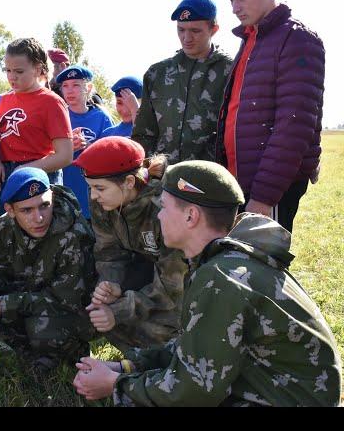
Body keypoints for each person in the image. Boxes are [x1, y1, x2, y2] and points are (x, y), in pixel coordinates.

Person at [73, 160, 342, 407]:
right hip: (276, 390)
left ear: (191, 216)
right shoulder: (226, 263)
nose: (158, 217)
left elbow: (194, 392)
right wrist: (128, 367)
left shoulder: (222, 277)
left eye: (164, 208)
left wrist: (114, 386)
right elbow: (192, 347)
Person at [0, 167, 96, 371]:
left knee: (34, 323)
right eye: (27, 210)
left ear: (53, 199)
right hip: (36, 298)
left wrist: (6, 304)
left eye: (44, 206)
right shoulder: (5, 226)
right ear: (10, 210)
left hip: (78, 312)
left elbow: (67, 301)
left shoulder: (75, 234)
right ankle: (33, 357)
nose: (38, 218)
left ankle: (73, 360)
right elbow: (1, 268)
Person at [215, 0, 324, 234]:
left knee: (261, 267)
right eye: (231, 0)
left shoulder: (297, 39)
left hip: (268, 185)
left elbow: (294, 125)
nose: (235, 8)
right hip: (242, 178)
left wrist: (263, 197)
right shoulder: (252, 39)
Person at [72, 137, 188, 351]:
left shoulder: (165, 210)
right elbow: (109, 253)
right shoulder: (104, 202)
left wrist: (119, 310)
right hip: (148, 274)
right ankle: (139, 362)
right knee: (99, 315)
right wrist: (110, 285)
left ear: (129, 183)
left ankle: (166, 365)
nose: (94, 196)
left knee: (153, 330)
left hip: (185, 288)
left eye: (100, 188)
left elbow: (173, 286)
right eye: (91, 188)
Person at [132, 0, 233, 164]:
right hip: (164, 180)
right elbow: (143, 134)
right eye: (181, 29)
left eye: (195, 30)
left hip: (211, 179)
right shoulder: (157, 74)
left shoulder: (231, 71)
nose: (186, 38)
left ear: (213, 30)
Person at [0, 37, 72, 200]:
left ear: (37, 69)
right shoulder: (1, 100)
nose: (12, 77)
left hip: (42, 178)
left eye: (19, 71)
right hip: (8, 177)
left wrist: (25, 169)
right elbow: (2, 139)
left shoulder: (51, 102)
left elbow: (65, 155)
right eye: (8, 70)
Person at [56, 65, 113, 219]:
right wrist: (67, 149)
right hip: (64, 195)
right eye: (65, 86)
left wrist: (88, 147)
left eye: (76, 85)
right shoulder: (57, 115)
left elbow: (112, 153)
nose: (70, 90)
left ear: (88, 88)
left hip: (96, 196)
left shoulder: (102, 117)